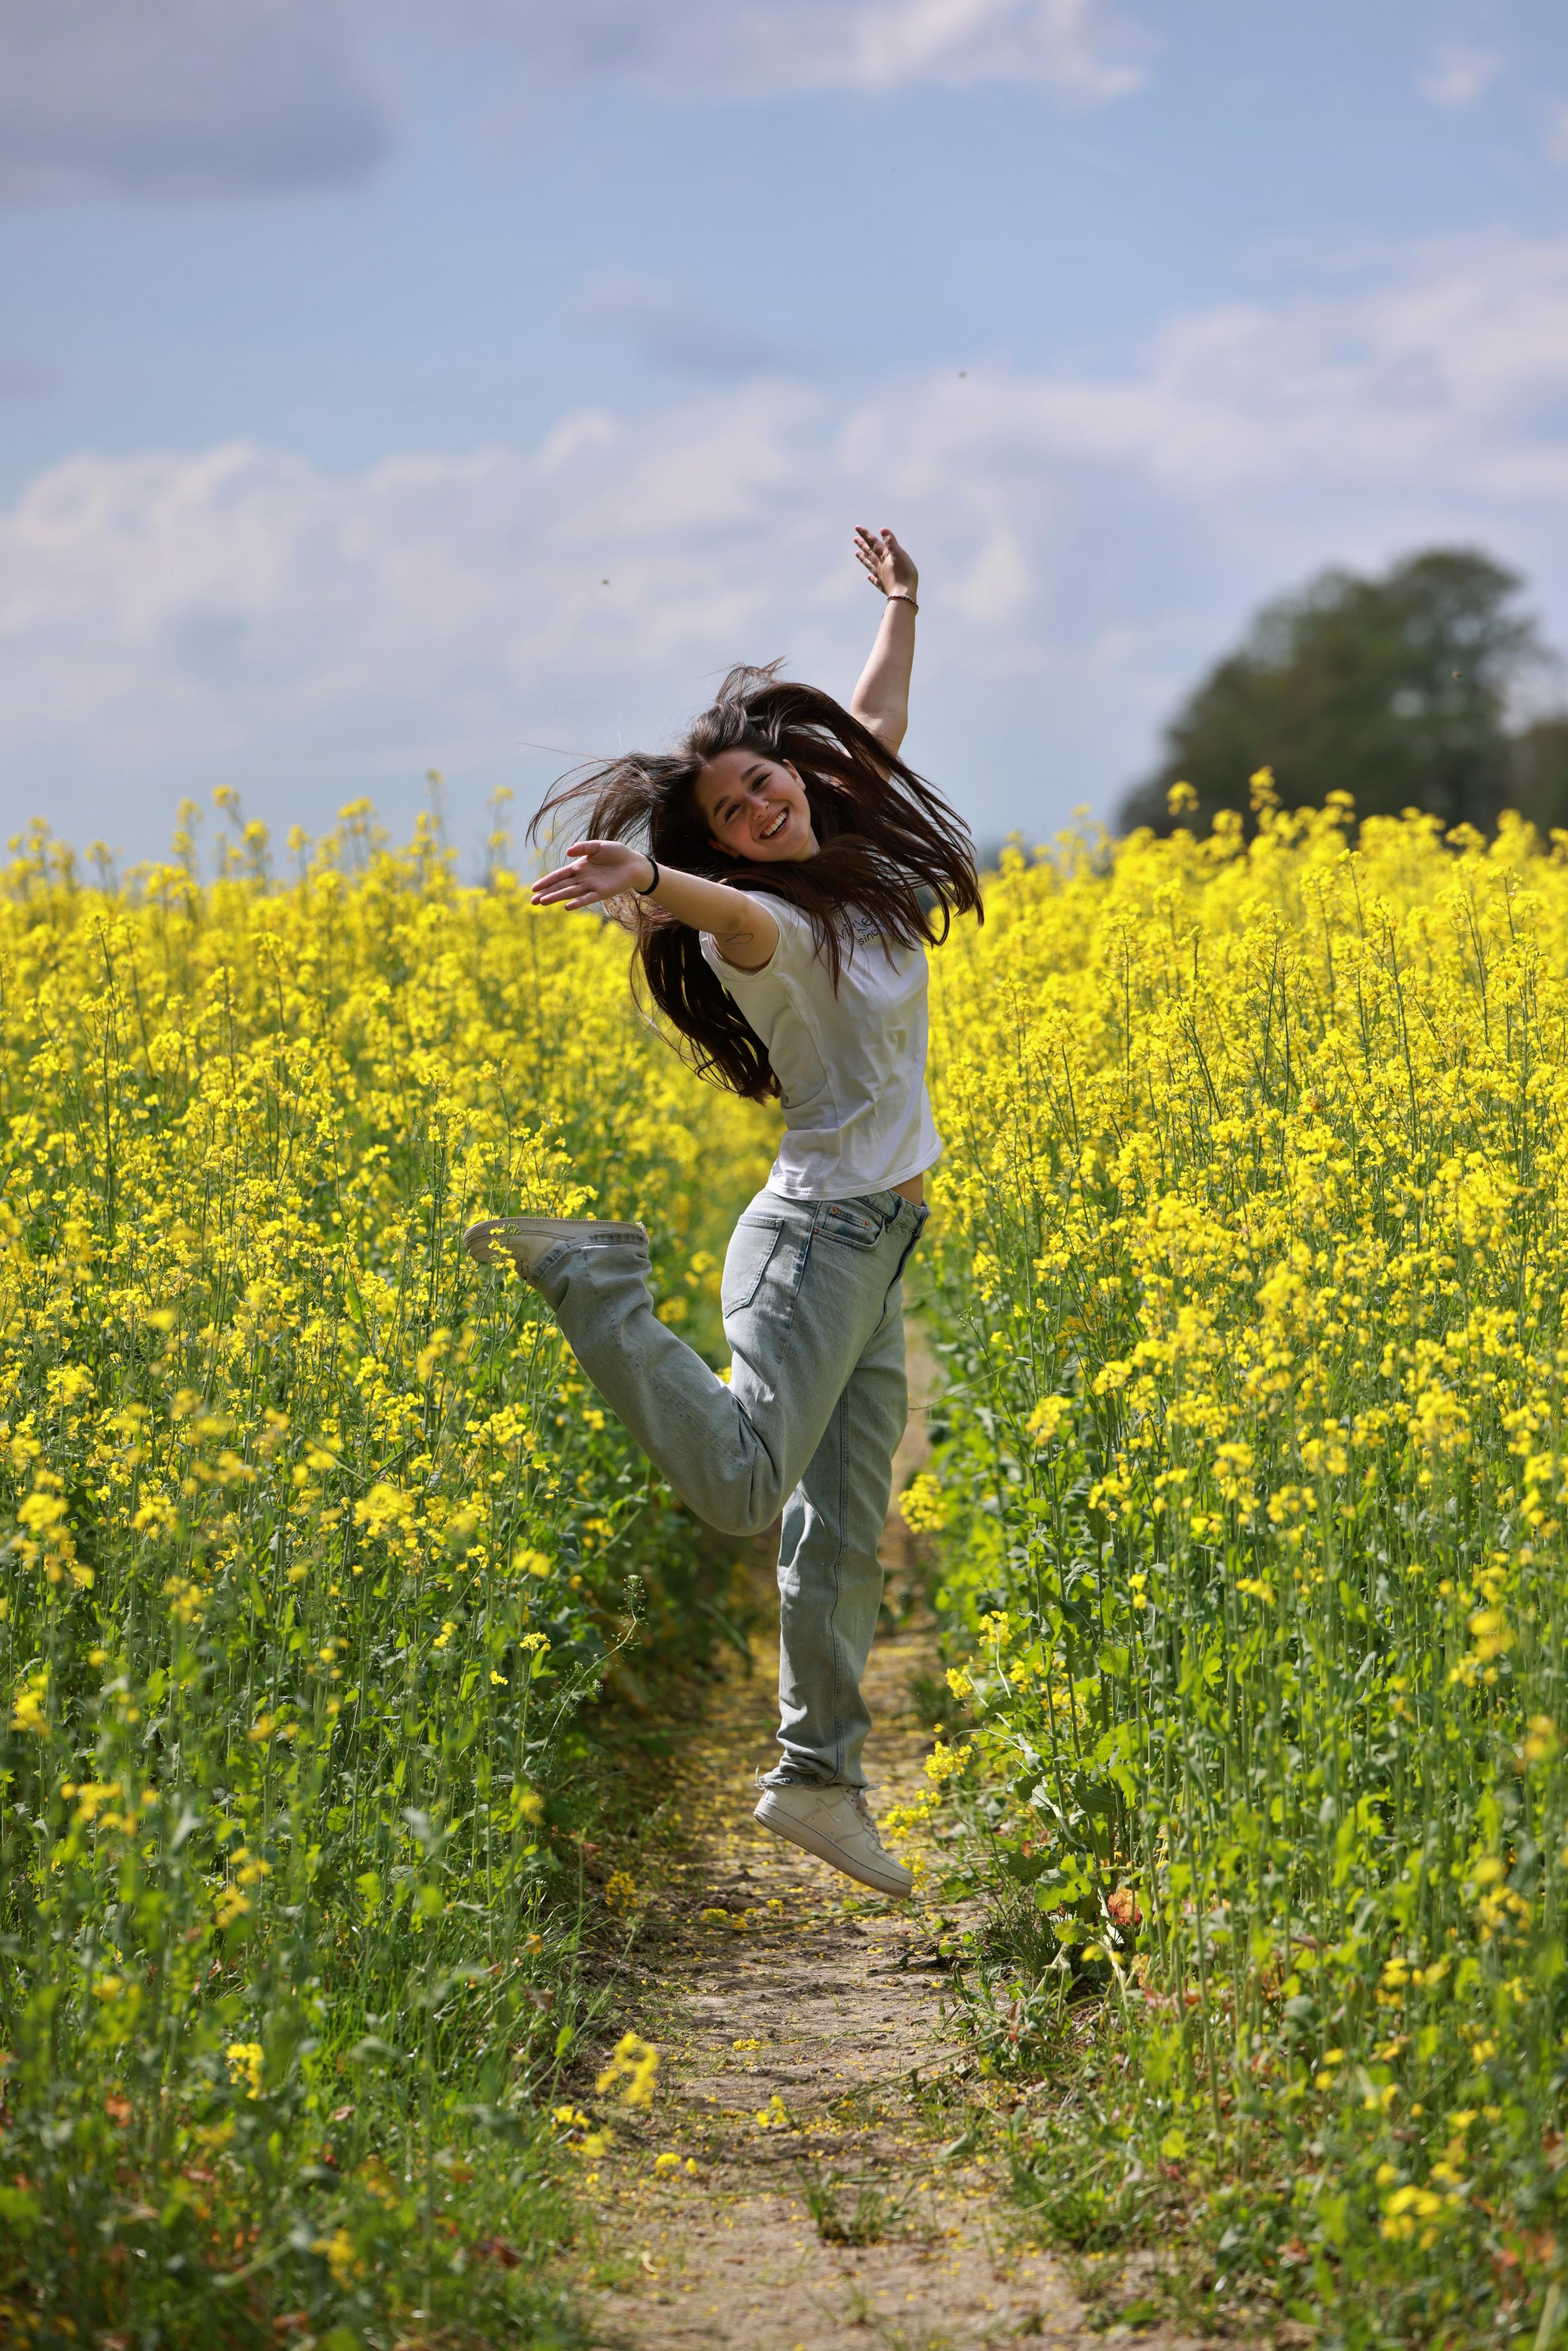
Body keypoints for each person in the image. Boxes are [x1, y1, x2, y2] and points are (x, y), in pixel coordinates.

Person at [464, 526, 981, 1899]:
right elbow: (718, 909)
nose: (762, 810)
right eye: (736, 815)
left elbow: (872, 724)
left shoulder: (850, 860)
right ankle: (594, 1282)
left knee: (839, 1525)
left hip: (876, 1246)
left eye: (767, 785)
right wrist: (648, 879)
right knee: (749, 1486)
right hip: (818, 1244)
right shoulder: (769, 924)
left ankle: (817, 1776)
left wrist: (903, 606)